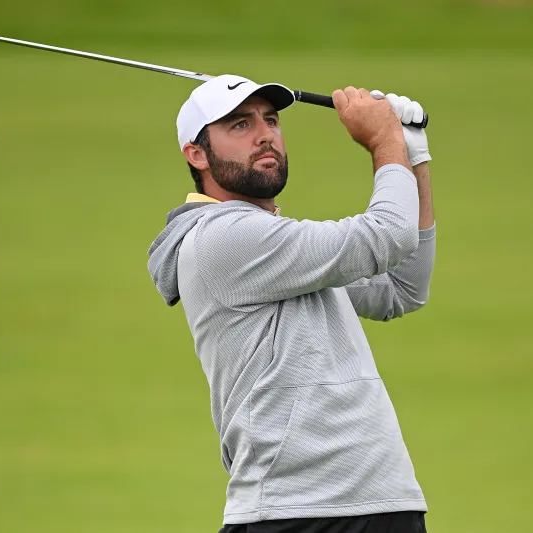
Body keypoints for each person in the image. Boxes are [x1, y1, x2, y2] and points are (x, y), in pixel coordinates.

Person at [148, 74, 436, 533]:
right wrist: (384, 140)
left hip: (379, 501)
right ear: (196, 153)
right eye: (240, 125)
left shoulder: (281, 245)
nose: (265, 135)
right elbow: (387, 234)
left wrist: (411, 152)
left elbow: (403, 286)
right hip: (296, 512)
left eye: (271, 120)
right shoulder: (223, 239)